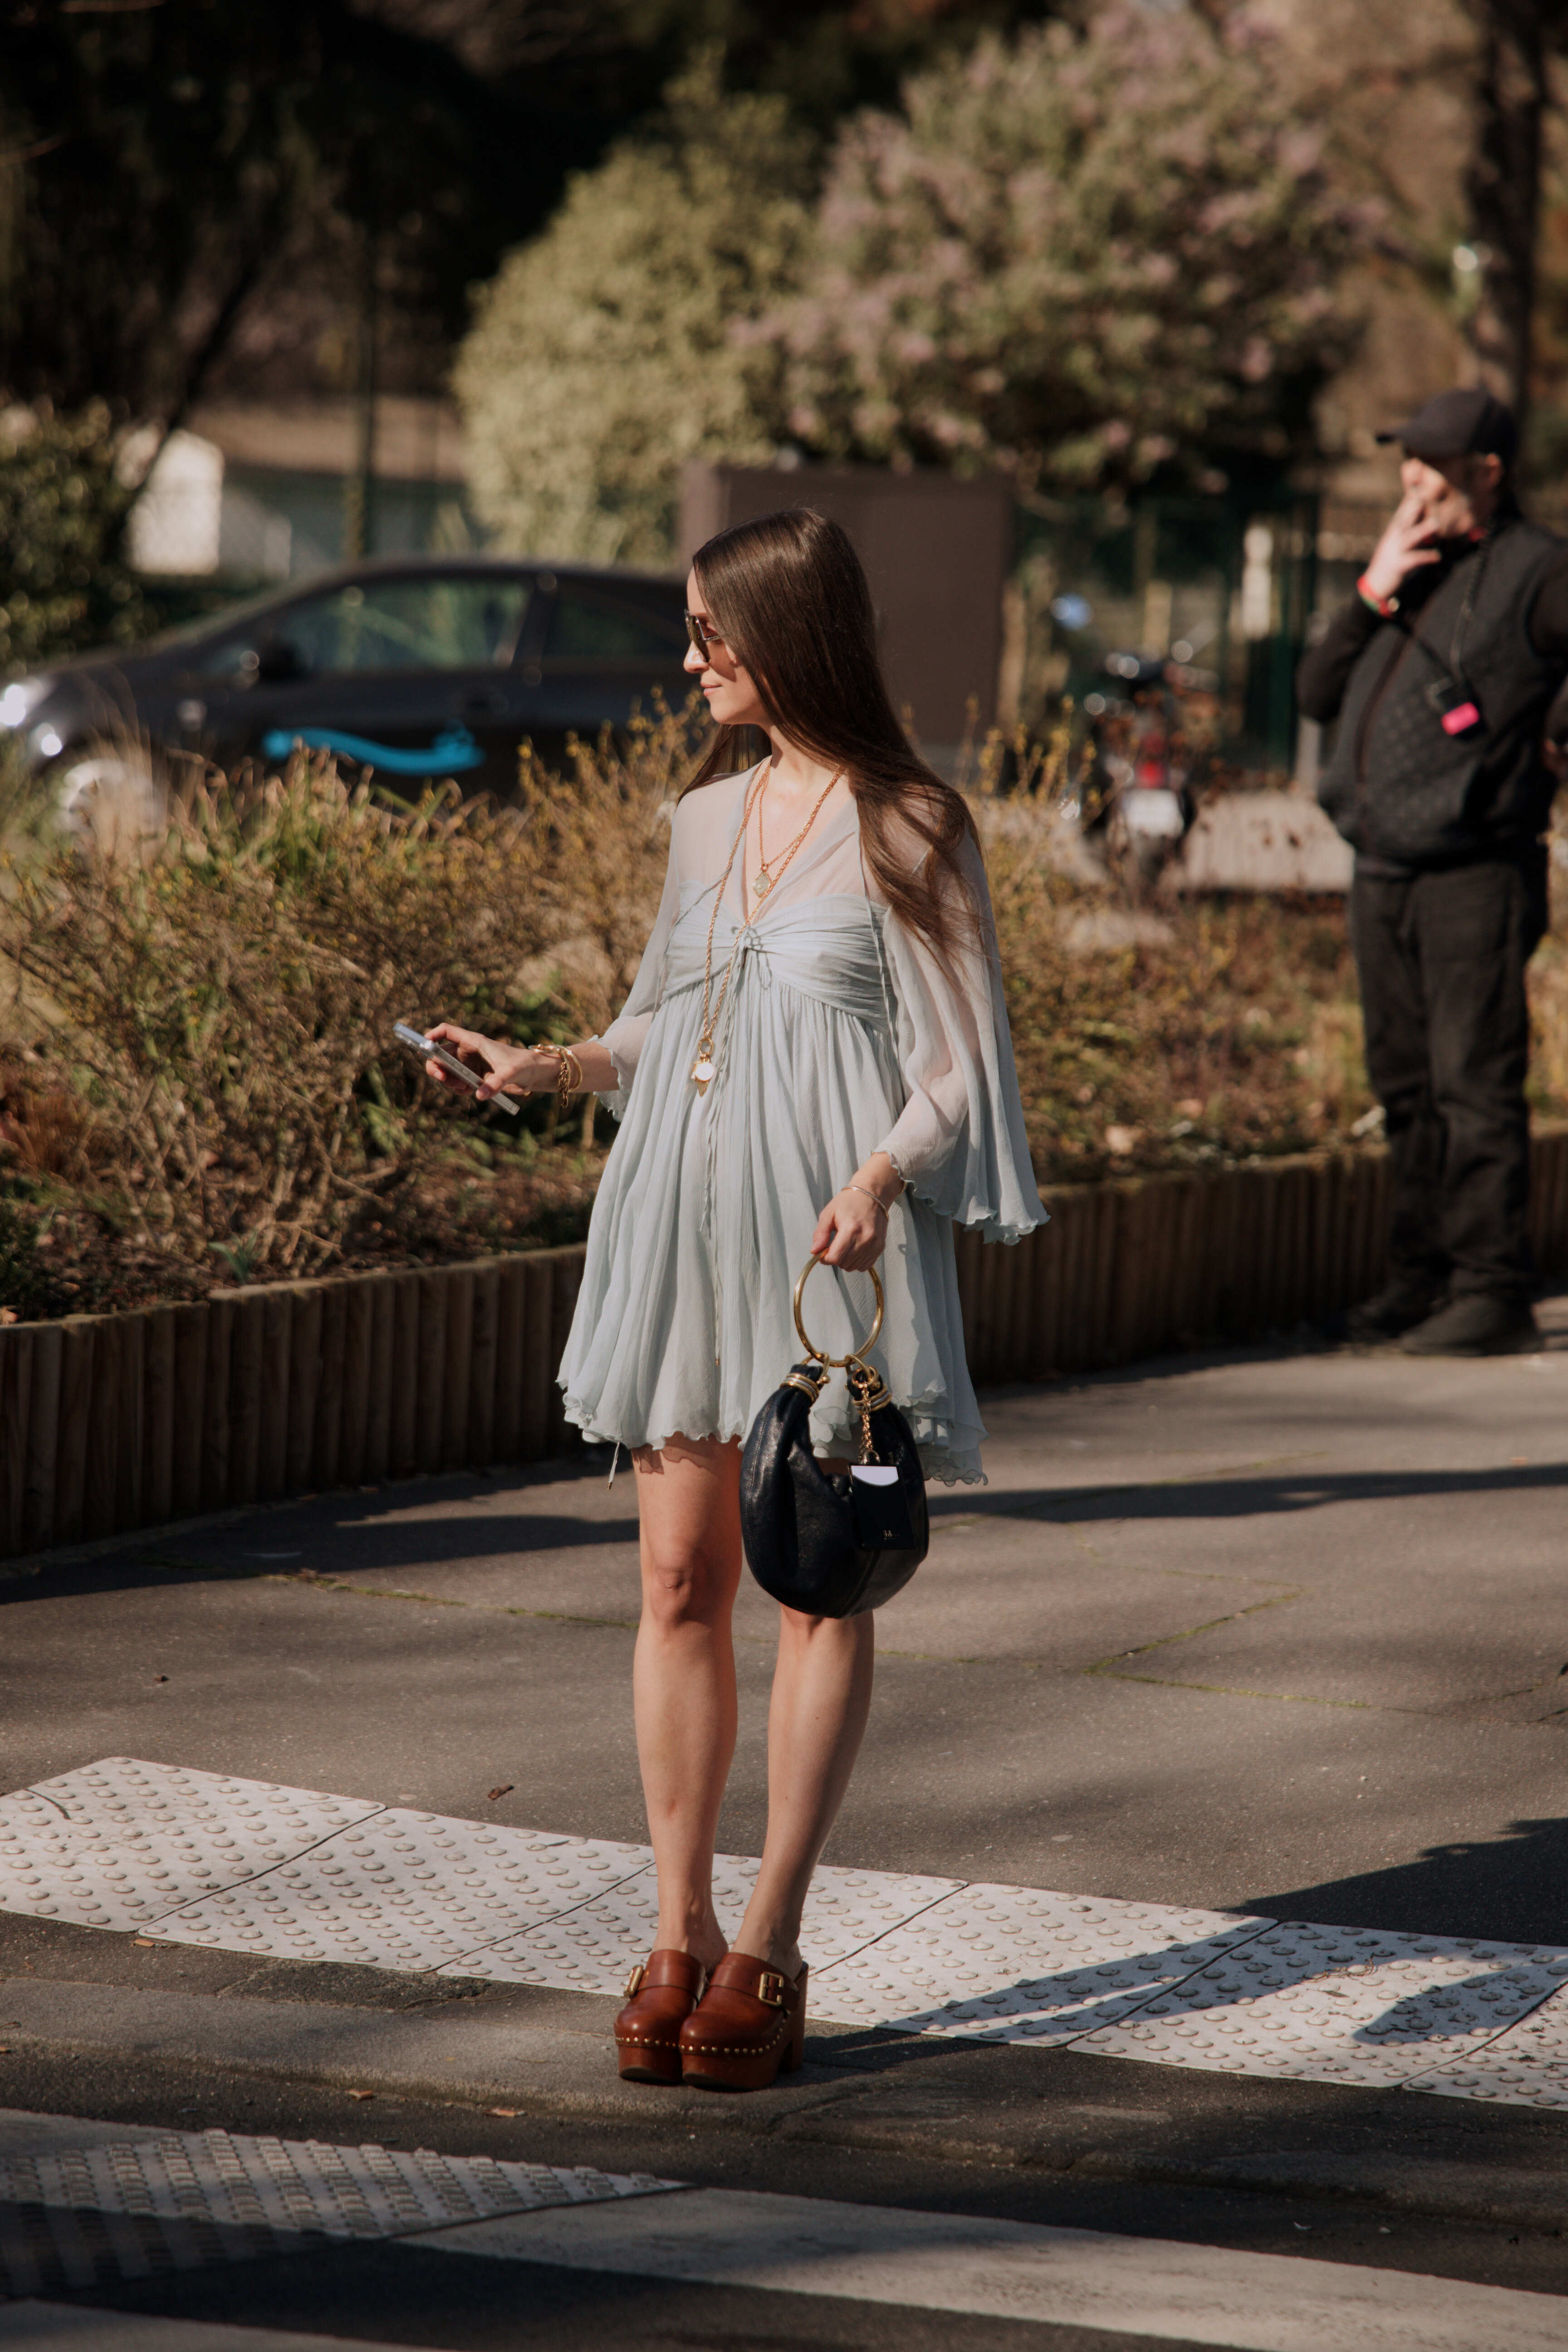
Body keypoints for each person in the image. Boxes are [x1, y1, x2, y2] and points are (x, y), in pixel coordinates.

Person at [427, 509, 1044, 2092]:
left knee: (814, 1577)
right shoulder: (702, 820)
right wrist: (544, 1063)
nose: (690, 656)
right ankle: (676, 1929)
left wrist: (881, 1177)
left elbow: (957, 1073)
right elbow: (651, 1024)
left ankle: (769, 1938)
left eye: (714, 632)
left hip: (821, 1243)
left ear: (790, 636)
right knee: (673, 1582)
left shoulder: (911, 821)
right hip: (680, 1219)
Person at [1298, 387, 1568, 1356]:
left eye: (1434, 464)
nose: (1413, 478)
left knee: (1474, 1084)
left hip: (1476, 871)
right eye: (1408, 460)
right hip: (1382, 866)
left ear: (1488, 473)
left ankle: (1492, 1287)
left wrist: (1553, 738)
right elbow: (1315, 691)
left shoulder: (1538, 569)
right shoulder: (1407, 569)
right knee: (1404, 1085)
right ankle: (1418, 1279)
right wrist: (1370, 592)